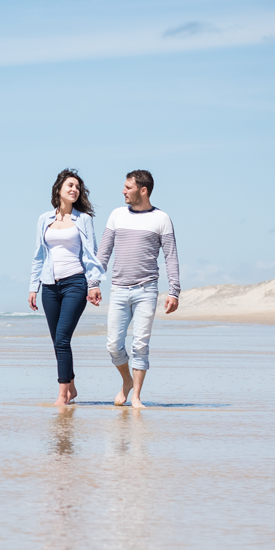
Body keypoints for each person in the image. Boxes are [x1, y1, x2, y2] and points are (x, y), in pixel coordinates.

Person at [98, 169, 180, 408]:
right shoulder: (116, 215)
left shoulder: (161, 219)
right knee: (114, 345)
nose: (123, 191)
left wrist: (174, 290)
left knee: (140, 345)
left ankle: (136, 397)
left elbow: (171, 257)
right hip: (119, 290)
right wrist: (93, 283)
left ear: (143, 190)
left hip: (147, 290)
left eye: (128, 187)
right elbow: (103, 253)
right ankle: (127, 380)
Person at [29, 169, 104, 406]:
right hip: (49, 285)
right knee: (57, 340)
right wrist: (34, 286)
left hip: (75, 282)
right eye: (70, 185)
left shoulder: (84, 219)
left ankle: (62, 395)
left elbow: (91, 254)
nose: (74, 190)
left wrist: (93, 284)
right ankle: (71, 386)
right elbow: (39, 255)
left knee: (62, 338)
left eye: (77, 187)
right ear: (58, 189)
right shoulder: (44, 219)